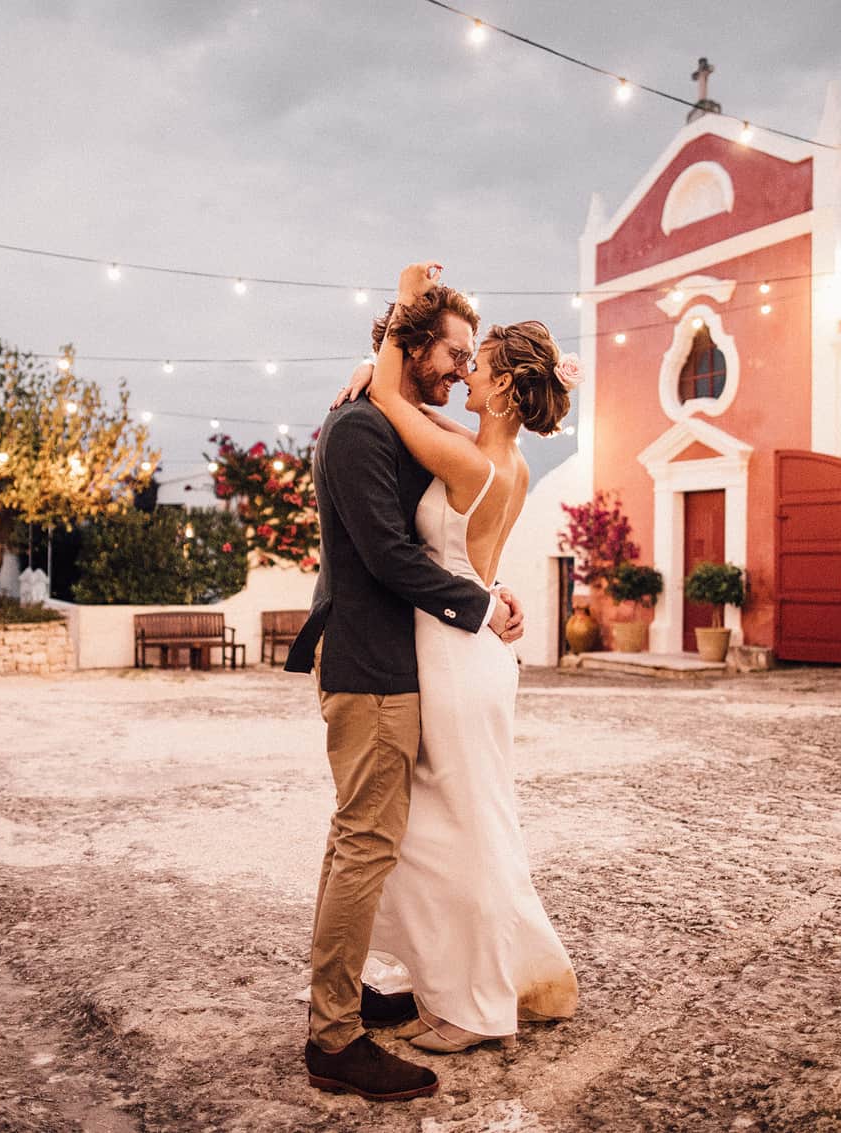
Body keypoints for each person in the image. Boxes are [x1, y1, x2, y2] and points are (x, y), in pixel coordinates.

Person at [284, 279, 527, 1102]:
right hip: (371, 662)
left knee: (358, 838)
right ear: (414, 345)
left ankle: (342, 998)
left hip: (398, 660)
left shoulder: (385, 414)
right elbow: (387, 557)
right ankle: (335, 1040)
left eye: (471, 358)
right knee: (365, 844)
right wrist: (483, 607)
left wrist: (376, 364)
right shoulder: (358, 428)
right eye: (454, 353)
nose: (461, 371)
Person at [338, 262, 580, 1056]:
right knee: (471, 822)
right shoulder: (498, 458)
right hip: (473, 651)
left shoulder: (472, 463)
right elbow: (398, 400)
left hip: (452, 654)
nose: (467, 373)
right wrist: (377, 370)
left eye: (480, 366)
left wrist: (403, 308)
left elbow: (386, 401)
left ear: (506, 387)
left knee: (456, 831)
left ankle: (476, 1007)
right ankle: (500, 974)